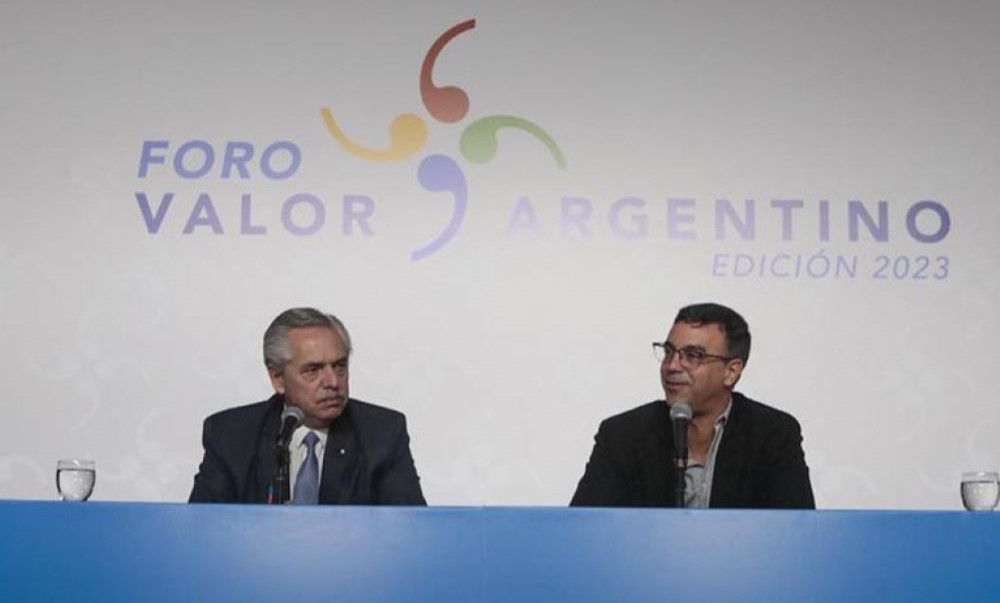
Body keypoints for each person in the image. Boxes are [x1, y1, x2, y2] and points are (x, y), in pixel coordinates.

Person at [570, 302, 814, 508]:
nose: (672, 366)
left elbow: (794, 536)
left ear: (731, 371)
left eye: (693, 356)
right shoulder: (623, 435)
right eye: (668, 352)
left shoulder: (773, 435)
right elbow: (585, 531)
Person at [189, 307, 426, 505]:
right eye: (313, 370)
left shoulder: (382, 433)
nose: (333, 382)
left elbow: (409, 531)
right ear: (277, 377)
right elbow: (204, 529)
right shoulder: (231, 435)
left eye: (340, 366)